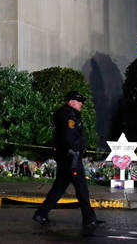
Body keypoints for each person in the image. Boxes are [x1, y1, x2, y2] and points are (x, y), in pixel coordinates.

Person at [33, 91, 105, 230]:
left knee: (59, 187)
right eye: (79, 101)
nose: (81, 104)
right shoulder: (68, 115)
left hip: (67, 157)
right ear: (71, 102)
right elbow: (68, 137)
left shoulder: (69, 114)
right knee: (82, 189)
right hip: (71, 158)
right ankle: (89, 220)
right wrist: (76, 149)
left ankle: (41, 214)